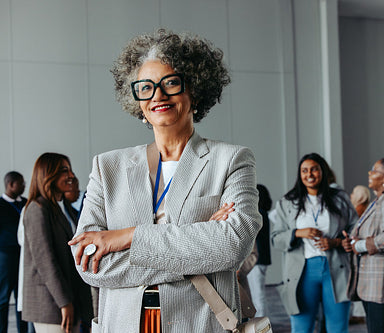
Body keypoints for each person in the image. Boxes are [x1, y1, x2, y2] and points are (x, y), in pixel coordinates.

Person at [67, 29, 261, 333]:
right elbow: (90, 263)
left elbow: (232, 245)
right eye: (145, 87)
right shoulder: (108, 167)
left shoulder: (232, 160)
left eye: (170, 83)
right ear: (138, 101)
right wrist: (198, 244)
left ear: (194, 90)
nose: (157, 95)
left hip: (199, 323)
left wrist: (127, 237)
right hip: (122, 324)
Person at [271, 153, 357, 333]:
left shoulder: (340, 198)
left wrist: (336, 242)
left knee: (338, 328)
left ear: (322, 172)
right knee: (302, 328)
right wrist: (297, 233)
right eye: (304, 170)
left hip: (335, 269)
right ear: (300, 174)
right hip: (302, 273)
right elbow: (276, 238)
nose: (309, 174)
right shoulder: (288, 202)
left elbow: (355, 228)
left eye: (314, 169)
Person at [23, 153, 93, 333]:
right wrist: (64, 302)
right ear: (48, 175)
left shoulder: (61, 208)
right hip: (52, 304)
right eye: (64, 171)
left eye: (69, 169)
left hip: (70, 298)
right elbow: (45, 262)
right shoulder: (37, 209)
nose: (71, 175)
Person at [342, 154, 384, 333]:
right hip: (374, 284)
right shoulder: (378, 201)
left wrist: (359, 246)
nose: (369, 173)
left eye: (374, 171)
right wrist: (352, 243)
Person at [0, 171, 27, 333]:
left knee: (21, 298)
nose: (24, 186)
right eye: (21, 183)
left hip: (24, 256)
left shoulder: (26, 202)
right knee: (3, 297)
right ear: (11, 184)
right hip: (5, 257)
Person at [247, 184, 272, 317]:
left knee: (258, 296)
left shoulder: (259, 214)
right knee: (258, 295)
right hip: (260, 259)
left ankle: (262, 326)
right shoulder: (263, 213)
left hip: (257, 260)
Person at [348, 185, 371, 325]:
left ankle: (359, 313)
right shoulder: (370, 210)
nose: (350, 196)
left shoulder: (356, 212)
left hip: (360, 251)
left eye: (353, 193)